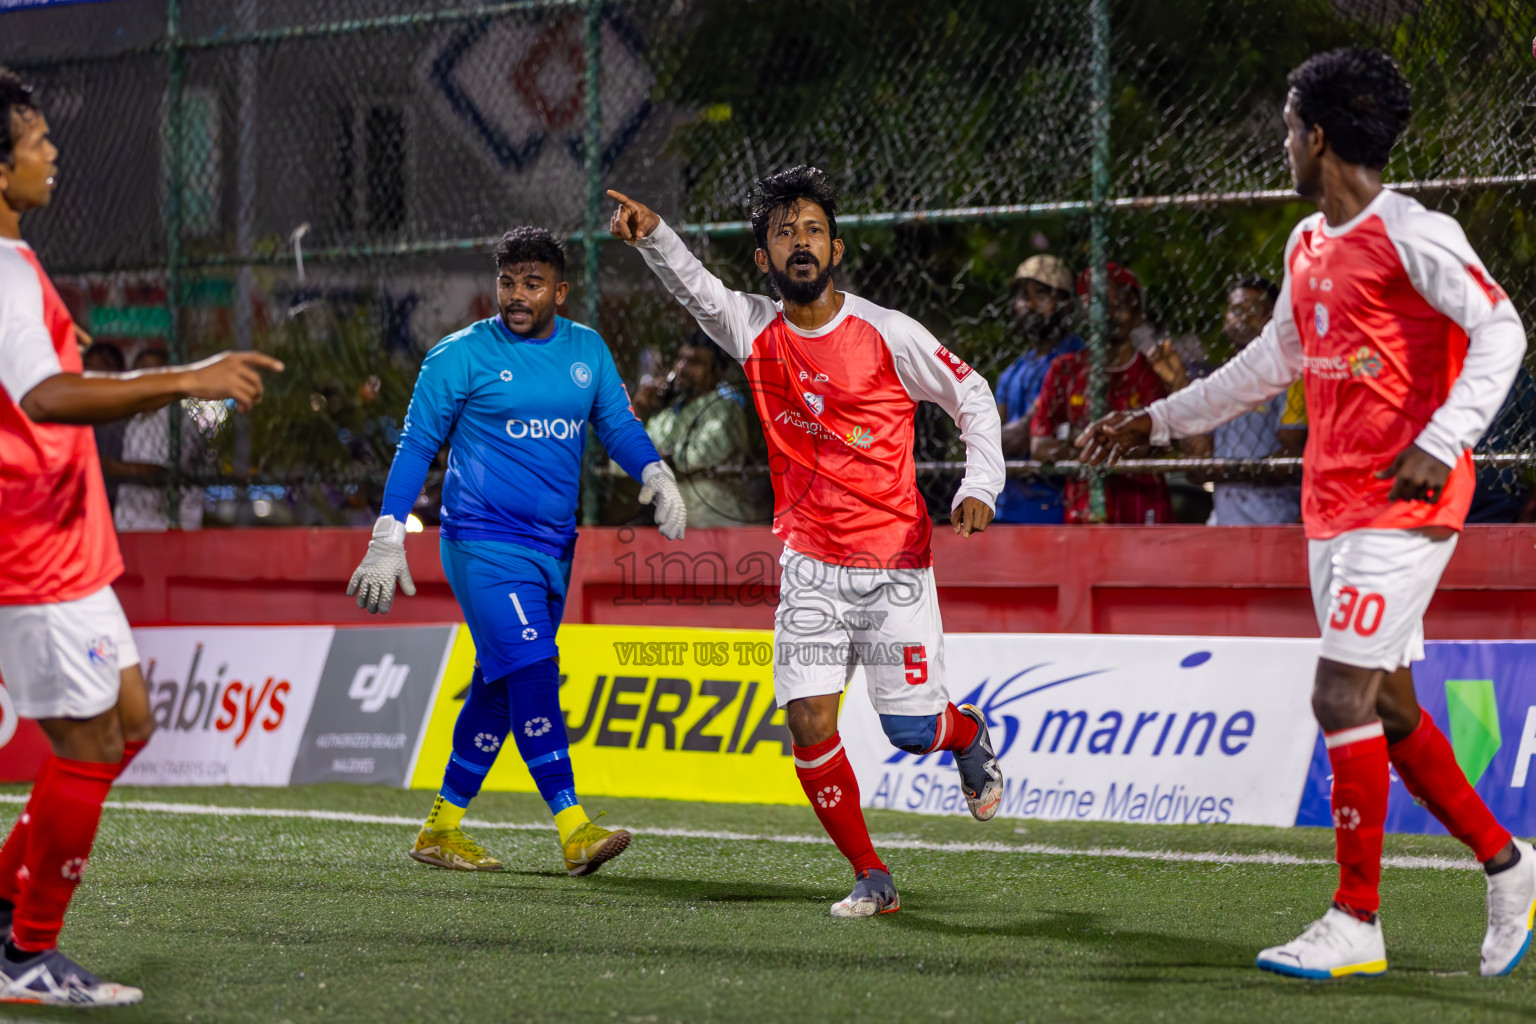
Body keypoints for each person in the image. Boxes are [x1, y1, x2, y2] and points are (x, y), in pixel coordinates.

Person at [1077, 48, 1534, 979]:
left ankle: (1356, 919)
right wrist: (1155, 420)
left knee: (1337, 693)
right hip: (1332, 511)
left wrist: (1444, 439)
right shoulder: (1307, 247)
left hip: (1405, 508)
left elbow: (1503, 328)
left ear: (1316, 136)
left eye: (1288, 128)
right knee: (1389, 705)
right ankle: (1509, 862)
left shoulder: (1415, 233)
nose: (1282, 144)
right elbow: (1266, 367)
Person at [608, 166, 1006, 919]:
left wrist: (979, 485)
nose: (800, 242)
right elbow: (696, 289)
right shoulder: (754, 327)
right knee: (808, 722)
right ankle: (872, 875)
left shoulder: (889, 332)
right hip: (810, 565)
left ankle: (967, 733)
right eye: (784, 232)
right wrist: (654, 235)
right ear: (762, 257)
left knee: (913, 730)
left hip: (893, 565)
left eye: (813, 230)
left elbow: (974, 396)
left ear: (837, 248)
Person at [0, 67, 281, 1005]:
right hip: (34, 558)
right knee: (87, 745)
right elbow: (45, 397)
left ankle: (5, 919)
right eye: (35, 139)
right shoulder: (0, 275)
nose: (51, 152)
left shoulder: (17, 262)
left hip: (70, 552)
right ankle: (25, 956)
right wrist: (184, 377)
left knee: (125, 726)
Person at [346, 226, 687, 879]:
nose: (517, 295)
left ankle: (441, 829)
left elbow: (616, 424)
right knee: (533, 666)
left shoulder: (586, 350)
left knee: (499, 687)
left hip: (553, 550)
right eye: (508, 282)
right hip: (481, 542)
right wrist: (388, 533)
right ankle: (573, 826)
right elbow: (416, 446)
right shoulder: (459, 356)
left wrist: (655, 472)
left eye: (532, 283)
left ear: (560, 290)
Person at [1028, 264, 1187, 524]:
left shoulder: (1153, 371)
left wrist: (1082, 444)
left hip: (1142, 507)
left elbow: (1160, 442)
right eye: (1098, 305)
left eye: (1119, 304)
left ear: (1137, 313)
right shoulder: (1066, 370)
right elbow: (1040, 446)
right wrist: (1118, 445)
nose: (1108, 314)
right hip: (1083, 509)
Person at [1191, 277, 1308, 524]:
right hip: (1225, 519)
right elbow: (1198, 464)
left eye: (1254, 310)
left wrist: (1232, 469)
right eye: (1236, 310)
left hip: (1274, 518)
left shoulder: (1291, 377)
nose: (1243, 317)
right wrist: (1178, 382)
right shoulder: (1219, 380)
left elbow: (1291, 455)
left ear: (1273, 319)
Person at [628, 329, 760, 526]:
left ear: (717, 372)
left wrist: (656, 460)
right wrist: (637, 408)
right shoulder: (670, 413)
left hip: (717, 526)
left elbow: (692, 458)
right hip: (676, 529)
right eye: (680, 360)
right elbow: (628, 457)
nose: (682, 368)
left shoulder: (726, 408)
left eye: (695, 362)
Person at [993, 255, 1081, 523]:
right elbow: (988, 441)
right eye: (1023, 296)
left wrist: (990, 440)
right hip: (1003, 508)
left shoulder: (1076, 360)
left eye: (1041, 295)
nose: (1029, 304)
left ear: (1066, 304)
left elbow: (1015, 438)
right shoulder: (1013, 371)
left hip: (1053, 509)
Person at [111, 346, 208, 532]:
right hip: (130, 526)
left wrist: (109, 467)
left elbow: (158, 473)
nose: (141, 379)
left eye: (150, 371)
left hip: (164, 528)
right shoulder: (136, 419)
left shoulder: (178, 420)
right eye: (137, 372)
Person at [80, 342, 128, 510]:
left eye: (98, 369)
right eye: (87, 368)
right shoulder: (76, 412)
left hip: (117, 500)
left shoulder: (127, 416)